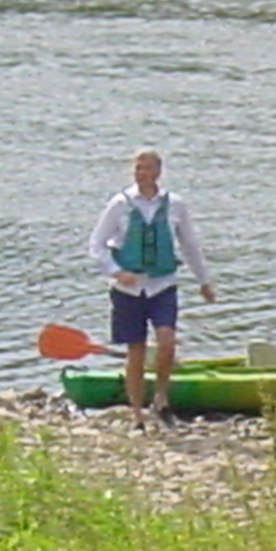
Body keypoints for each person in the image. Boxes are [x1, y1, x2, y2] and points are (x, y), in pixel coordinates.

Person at [84, 146, 218, 429]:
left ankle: (161, 397)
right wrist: (116, 271)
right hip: (128, 290)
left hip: (162, 285)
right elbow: (97, 244)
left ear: (159, 171)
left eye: (147, 168)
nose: (142, 173)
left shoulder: (175, 205)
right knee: (136, 350)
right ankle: (136, 413)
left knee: (167, 341)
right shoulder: (120, 204)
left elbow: (190, 245)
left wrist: (204, 281)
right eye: (138, 168)